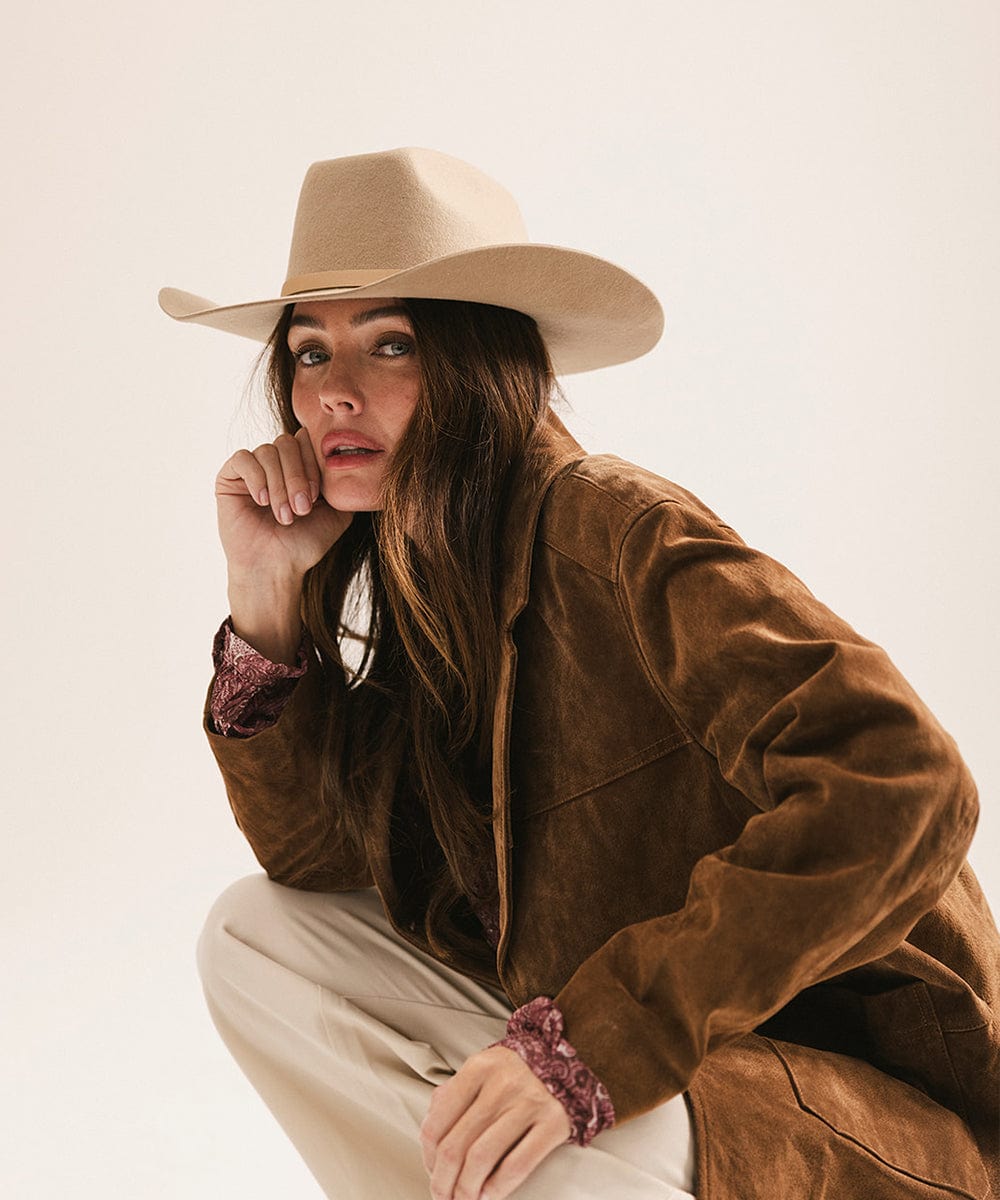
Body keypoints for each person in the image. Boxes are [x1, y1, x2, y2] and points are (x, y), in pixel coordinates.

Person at [160, 147, 999, 1200]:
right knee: (255, 937)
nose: (336, 394)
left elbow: (908, 787)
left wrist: (587, 1053)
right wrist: (265, 592)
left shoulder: (617, 529)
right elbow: (316, 866)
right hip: (636, 1081)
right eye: (310, 352)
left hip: (838, 1108)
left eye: (392, 344)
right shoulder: (418, 573)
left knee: (551, 1148)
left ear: (478, 365)